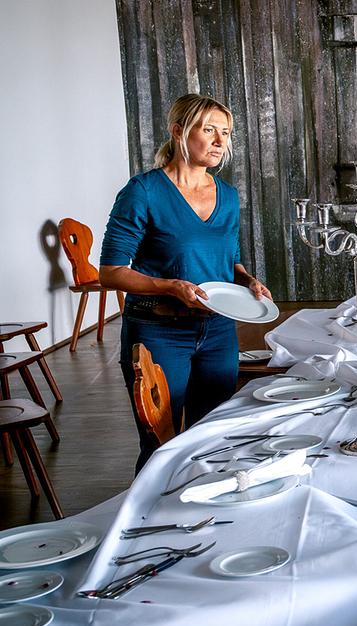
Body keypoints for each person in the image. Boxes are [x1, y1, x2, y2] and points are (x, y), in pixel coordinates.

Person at [100, 93, 272, 472]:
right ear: (179, 132)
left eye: (225, 132)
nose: (219, 141)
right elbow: (111, 272)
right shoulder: (142, 192)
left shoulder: (227, 195)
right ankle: (148, 523)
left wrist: (247, 280)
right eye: (208, 129)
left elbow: (229, 261)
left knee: (211, 440)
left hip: (218, 331)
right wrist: (170, 286)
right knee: (159, 446)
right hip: (158, 332)